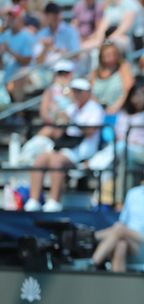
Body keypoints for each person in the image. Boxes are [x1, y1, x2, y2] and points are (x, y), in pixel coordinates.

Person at [24, 78, 105, 212]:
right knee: (40, 160)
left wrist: (71, 121)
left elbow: (90, 131)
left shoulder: (95, 109)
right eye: (74, 91)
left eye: (78, 91)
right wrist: (58, 117)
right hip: (66, 146)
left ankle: (54, 201)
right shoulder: (72, 107)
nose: (75, 94)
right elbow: (58, 130)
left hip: (83, 150)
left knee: (56, 162)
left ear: (87, 93)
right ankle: (34, 200)